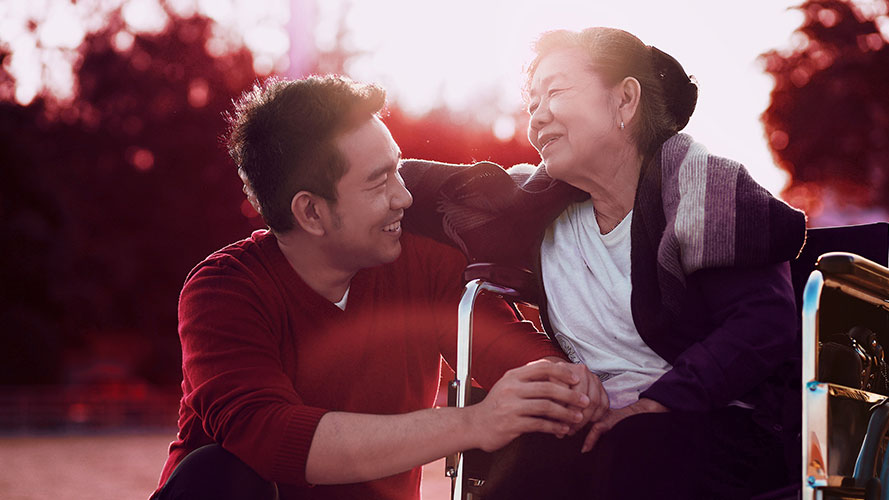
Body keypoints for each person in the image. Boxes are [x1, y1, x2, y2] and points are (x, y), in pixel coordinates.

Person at [149, 75, 609, 500]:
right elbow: (273, 436)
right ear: (310, 212)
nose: (404, 198)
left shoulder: (422, 266)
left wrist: (562, 381)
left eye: (397, 171)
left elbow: (511, 353)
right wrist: (472, 422)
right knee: (218, 473)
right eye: (378, 182)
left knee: (543, 429)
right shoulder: (223, 292)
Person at [401, 27, 807, 498]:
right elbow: (413, 186)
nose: (537, 116)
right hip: (593, 429)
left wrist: (659, 403)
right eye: (532, 103)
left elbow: (764, 322)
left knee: (621, 452)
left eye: (555, 91)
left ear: (625, 100)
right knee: (527, 459)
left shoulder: (702, 186)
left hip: (710, 421)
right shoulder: (536, 210)